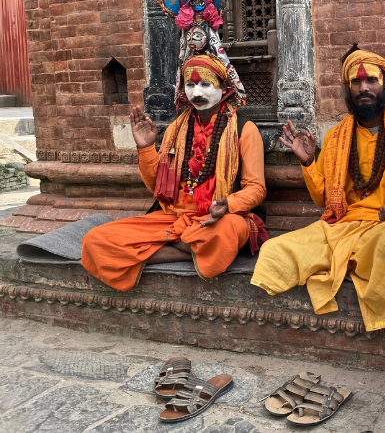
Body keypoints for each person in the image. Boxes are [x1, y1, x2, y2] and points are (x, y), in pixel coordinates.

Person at [250, 47, 385, 332]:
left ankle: (351, 269)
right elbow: (324, 200)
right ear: (348, 88)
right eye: (355, 82)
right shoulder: (336, 136)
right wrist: (308, 162)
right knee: (274, 250)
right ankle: (350, 262)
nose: (363, 88)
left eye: (371, 81)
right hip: (340, 227)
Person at [81, 55, 267, 291]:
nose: (196, 92)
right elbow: (158, 187)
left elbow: (256, 188)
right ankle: (189, 249)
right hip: (173, 218)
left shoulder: (244, 129)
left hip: (216, 219)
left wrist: (228, 204)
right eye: (190, 85)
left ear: (224, 87)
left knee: (228, 231)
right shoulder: (176, 129)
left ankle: (153, 250)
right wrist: (146, 147)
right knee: (95, 241)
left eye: (205, 84)